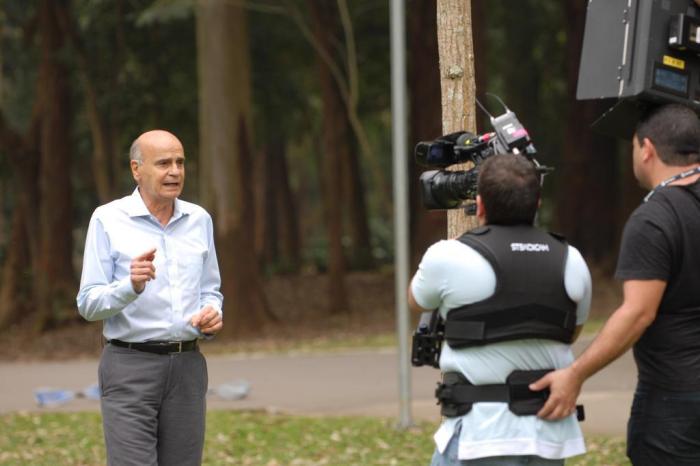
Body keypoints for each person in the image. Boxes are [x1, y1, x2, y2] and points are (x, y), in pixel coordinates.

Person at [532, 103, 700, 465]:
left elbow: (638, 313)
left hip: (678, 403)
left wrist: (575, 374)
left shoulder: (656, 217)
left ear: (647, 149)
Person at [409, 154, 592, 466]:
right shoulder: (571, 260)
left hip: (478, 435)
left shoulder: (448, 256)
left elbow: (417, 300)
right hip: (547, 439)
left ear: (479, 205)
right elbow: (571, 333)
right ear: (537, 205)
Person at [76, 129, 223, 466]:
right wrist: (130, 286)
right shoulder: (108, 219)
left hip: (187, 367)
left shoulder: (199, 220)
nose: (175, 171)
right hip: (130, 366)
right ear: (136, 169)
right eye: (163, 163)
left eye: (180, 162)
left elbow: (209, 290)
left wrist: (211, 313)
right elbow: (88, 303)